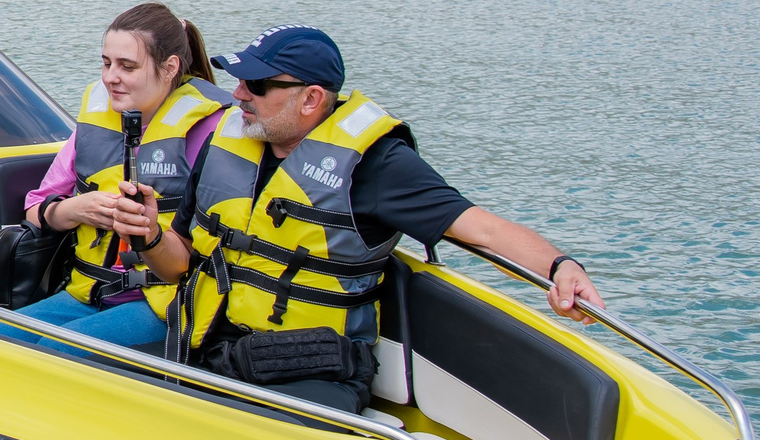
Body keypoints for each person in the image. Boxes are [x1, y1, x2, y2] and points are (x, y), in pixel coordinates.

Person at [125, 25, 604, 414]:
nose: (239, 94)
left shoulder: (377, 166)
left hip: (313, 370)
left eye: (259, 85)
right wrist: (149, 234)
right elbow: (179, 266)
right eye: (240, 80)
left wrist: (560, 268)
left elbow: (482, 228)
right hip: (214, 347)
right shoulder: (228, 143)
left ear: (311, 99)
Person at [4, 3, 232, 355]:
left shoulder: (212, 134)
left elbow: (216, 248)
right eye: (106, 63)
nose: (110, 77)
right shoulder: (96, 124)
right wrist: (76, 209)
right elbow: (36, 209)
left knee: (54, 350)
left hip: (164, 302)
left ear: (170, 68)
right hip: (89, 291)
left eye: (127, 66)